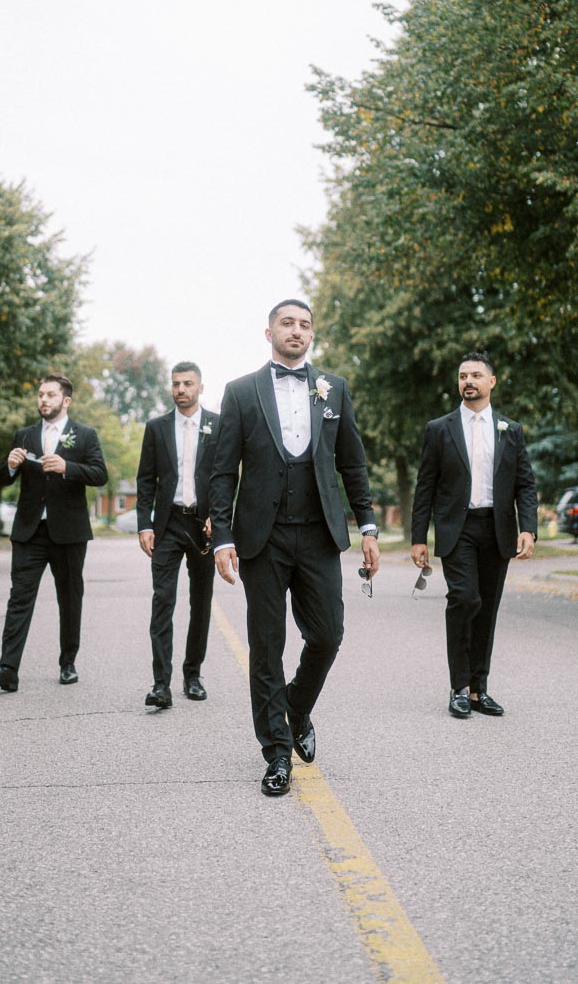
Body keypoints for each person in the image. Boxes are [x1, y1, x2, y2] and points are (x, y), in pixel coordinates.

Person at [210, 299, 380, 797]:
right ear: (269, 333)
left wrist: (368, 526)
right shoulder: (240, 393)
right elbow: (223, 472)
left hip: (319, 533)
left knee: (327, 634)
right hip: (261, 538)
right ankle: (277, 753)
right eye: (288, 323)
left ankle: (296, 707)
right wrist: (222, 536)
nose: (297, 331)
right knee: (267, 646)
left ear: (312, 335)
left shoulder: (335, 389)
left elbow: (353, 464)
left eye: (305, 325)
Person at [410, 351, 537, 719]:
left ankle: (480, 689)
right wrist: (419, 537)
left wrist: (528, 527)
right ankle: (459, 687)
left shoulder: (510, 430)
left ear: (491, 382)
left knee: (487, 607)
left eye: (476, 375)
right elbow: (425, 487)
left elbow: (525, 484)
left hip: (497, 529)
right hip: (457, 529)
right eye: (463, 375)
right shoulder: (439, 429)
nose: (468, 381)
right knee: (464, 599)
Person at [0, 373, 108, 693]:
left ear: (65, 401)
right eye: (40, 394)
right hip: (29, 531)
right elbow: (2, 478)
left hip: (69, 533)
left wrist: (68, 468)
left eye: (50, 395)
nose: (43, 400)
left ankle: (68, 663)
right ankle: (8, 669)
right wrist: (9, 465)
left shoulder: (85, 435)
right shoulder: (23, 435)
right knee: (19, 599)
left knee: (69, 598)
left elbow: (100, 474)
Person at [136, 361, 220, 709]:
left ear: (200, 386)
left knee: (200, 603)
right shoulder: (156, 427)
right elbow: (145, 479)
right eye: (175, 384)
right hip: (167, 525)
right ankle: (161, 685)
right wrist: (144, 523)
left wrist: (220, 516)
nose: (180, 389)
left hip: (203, 526)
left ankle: (193, 674)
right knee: (162, 601)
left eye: (187, 383)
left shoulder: (218, 424)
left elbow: (227, 474)